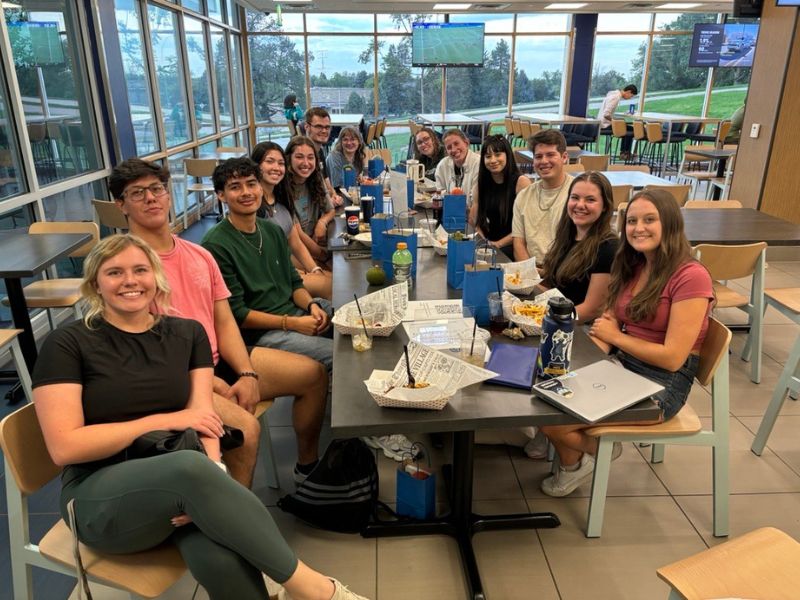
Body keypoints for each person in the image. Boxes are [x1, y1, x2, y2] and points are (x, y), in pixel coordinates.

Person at [31, 234, 369, 600]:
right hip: (99, 495)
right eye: (114, 272)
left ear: (157, 277)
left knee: (222, 558)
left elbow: (203, 420)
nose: (130, 280)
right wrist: (160, 425)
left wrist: (213, 480)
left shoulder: (186, 333)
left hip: (183, 485)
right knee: (189, 472)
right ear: (95, 284)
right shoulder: (68, 344)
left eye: (140, 270)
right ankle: (317, 590)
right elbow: (65, 448)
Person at [111, 158, 327, 485]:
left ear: (169, 195)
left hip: (217, 363)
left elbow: (224, 322)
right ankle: (232, 519)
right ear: (120, 204)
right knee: (245, 430)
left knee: (312, 375)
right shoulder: (125, 267)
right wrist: (207, 381)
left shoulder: (199, 255)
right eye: (137, 193)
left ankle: (307, 469)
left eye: (156, 189)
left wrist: (246, 372)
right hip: (174, 378)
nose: (151, 198)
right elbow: (138, 346)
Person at [538, 189, 714, 497]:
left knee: (553, 419)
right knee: (546, 392)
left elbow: (673, 358)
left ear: (670, 223)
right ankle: (580, 458)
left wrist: (615, 338)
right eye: (631, 221)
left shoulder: (691, 276)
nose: (638, 228)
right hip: (623, 364)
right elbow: (609, 322)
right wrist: (587, 360)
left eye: (649, 219)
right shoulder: (635, 264)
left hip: (663, 383)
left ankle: (592, 455)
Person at [201, 157, 333, 371]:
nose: (246, 192)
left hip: (294, 312)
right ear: (221, 195)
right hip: (263, 333)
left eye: (252, 184)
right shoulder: (215, 245)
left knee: (357, 320)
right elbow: (238, 315)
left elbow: (293, 283)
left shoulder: (271, 230)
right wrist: (292, 323)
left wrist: (311, 305)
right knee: (338, 355)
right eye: (235, 187)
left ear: (260, 188)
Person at [251, 141, 333, 300]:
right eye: (269, 161)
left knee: (332, 279)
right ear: (256, 166)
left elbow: (295, 242)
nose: (276, 167)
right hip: (271, 277)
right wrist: (296, 272)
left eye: (280, 163)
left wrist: (315, 269)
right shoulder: (253, 205)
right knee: (333, 287)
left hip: (285, 269)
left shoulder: (281, 197)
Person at [538, 171, 618, 324]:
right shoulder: (568, 236)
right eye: (575, 197)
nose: (580, 205)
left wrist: (542, 322)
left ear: (605, 207)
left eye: (590, 200)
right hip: (555, 314)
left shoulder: (608, 247)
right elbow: (558, 286)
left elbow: (591, 310)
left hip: (579, 329)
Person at [511, 129, 574, 263]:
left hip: (566, 273)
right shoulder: (524, 196)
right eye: (538, 157)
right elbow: (518, 243)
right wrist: (531, 275)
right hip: (531, 273)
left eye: (550, 155)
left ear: (564, 157)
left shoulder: (577, 194)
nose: (544, 161)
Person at [468, 135, 531, 258]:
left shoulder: (521, 182)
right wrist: (483, 241)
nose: (492, 160)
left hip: (513, 245)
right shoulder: (480, 185)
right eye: (488, 156)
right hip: (487, 245)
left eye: (497, 155)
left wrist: (497, 244)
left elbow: (526, 227)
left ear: (507, 155)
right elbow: (475, 221)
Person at [285, 136, 335, 267]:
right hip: (294, 251)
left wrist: (322, 222)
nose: (306, 163)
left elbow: (330, 210)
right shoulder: (283, 187)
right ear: (289, 159)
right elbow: (298, 235)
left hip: (315, 244)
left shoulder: (316, 178)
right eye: (299, 157)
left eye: (310, 157)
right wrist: (324, 257)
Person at [304, 106, 341, 205]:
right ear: (307, 127)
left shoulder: (319, 151)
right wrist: (327, 202)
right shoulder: (301, 156)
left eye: (327, 127)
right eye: (319, 126)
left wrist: (334, 195)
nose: (324, 131)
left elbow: (326, 180)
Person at [434, 128, 480, 203]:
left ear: (466, 143)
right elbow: (440, 193)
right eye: (449, 147)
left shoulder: (478, 163)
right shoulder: (442, 165)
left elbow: (476, 200)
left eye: (456, 143)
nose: (454, 150)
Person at [598, 84, 638, 160]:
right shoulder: (615, 98)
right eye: (631, 96)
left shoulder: (613, 94)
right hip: (605, 125)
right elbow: (606, 114)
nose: (630, 98)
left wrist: (617, 121)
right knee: (631, 129)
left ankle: (624, 153)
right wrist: (616, 122)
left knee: (627, 128)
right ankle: (625, 153)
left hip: (602, 123)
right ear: (628, 92)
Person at [326, 126, 367, 192]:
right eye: (345, 139)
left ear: (359, 142)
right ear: (341, 142)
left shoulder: (358, 156)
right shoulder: (334, 157)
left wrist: (360, 180)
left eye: (353, 139)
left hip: (350, 194)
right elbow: (337, 186)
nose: (349, 143)